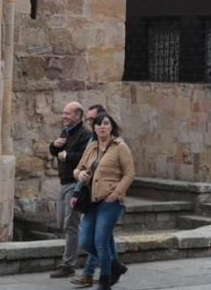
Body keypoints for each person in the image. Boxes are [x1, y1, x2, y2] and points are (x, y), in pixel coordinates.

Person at [75, 112, 135, 290]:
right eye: (98, 124)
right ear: (94, 128)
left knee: (101, 241)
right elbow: (78, 169)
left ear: (112, 127)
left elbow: (129, 173)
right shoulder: (92, 147)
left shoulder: (120, 147)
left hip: (110, 202)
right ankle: (115, 265)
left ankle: (105, 281)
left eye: (106, 123)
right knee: (85, 241)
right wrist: (81, 175)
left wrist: (116, 194)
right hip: (91, 201)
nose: (102, 126)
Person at [48, 101, 91, 278]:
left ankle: (68, 265)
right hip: (63, 182)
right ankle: (81, 254)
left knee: (71, 225)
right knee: (61, 222)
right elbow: (55, 152)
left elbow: (85, 158)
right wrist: (55, 146)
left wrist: (67, 156)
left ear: (78, 116)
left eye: (68, 113)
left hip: (75, 184)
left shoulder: (85, 135)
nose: (64, 116)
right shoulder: (66, 131)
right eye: (64, 113)